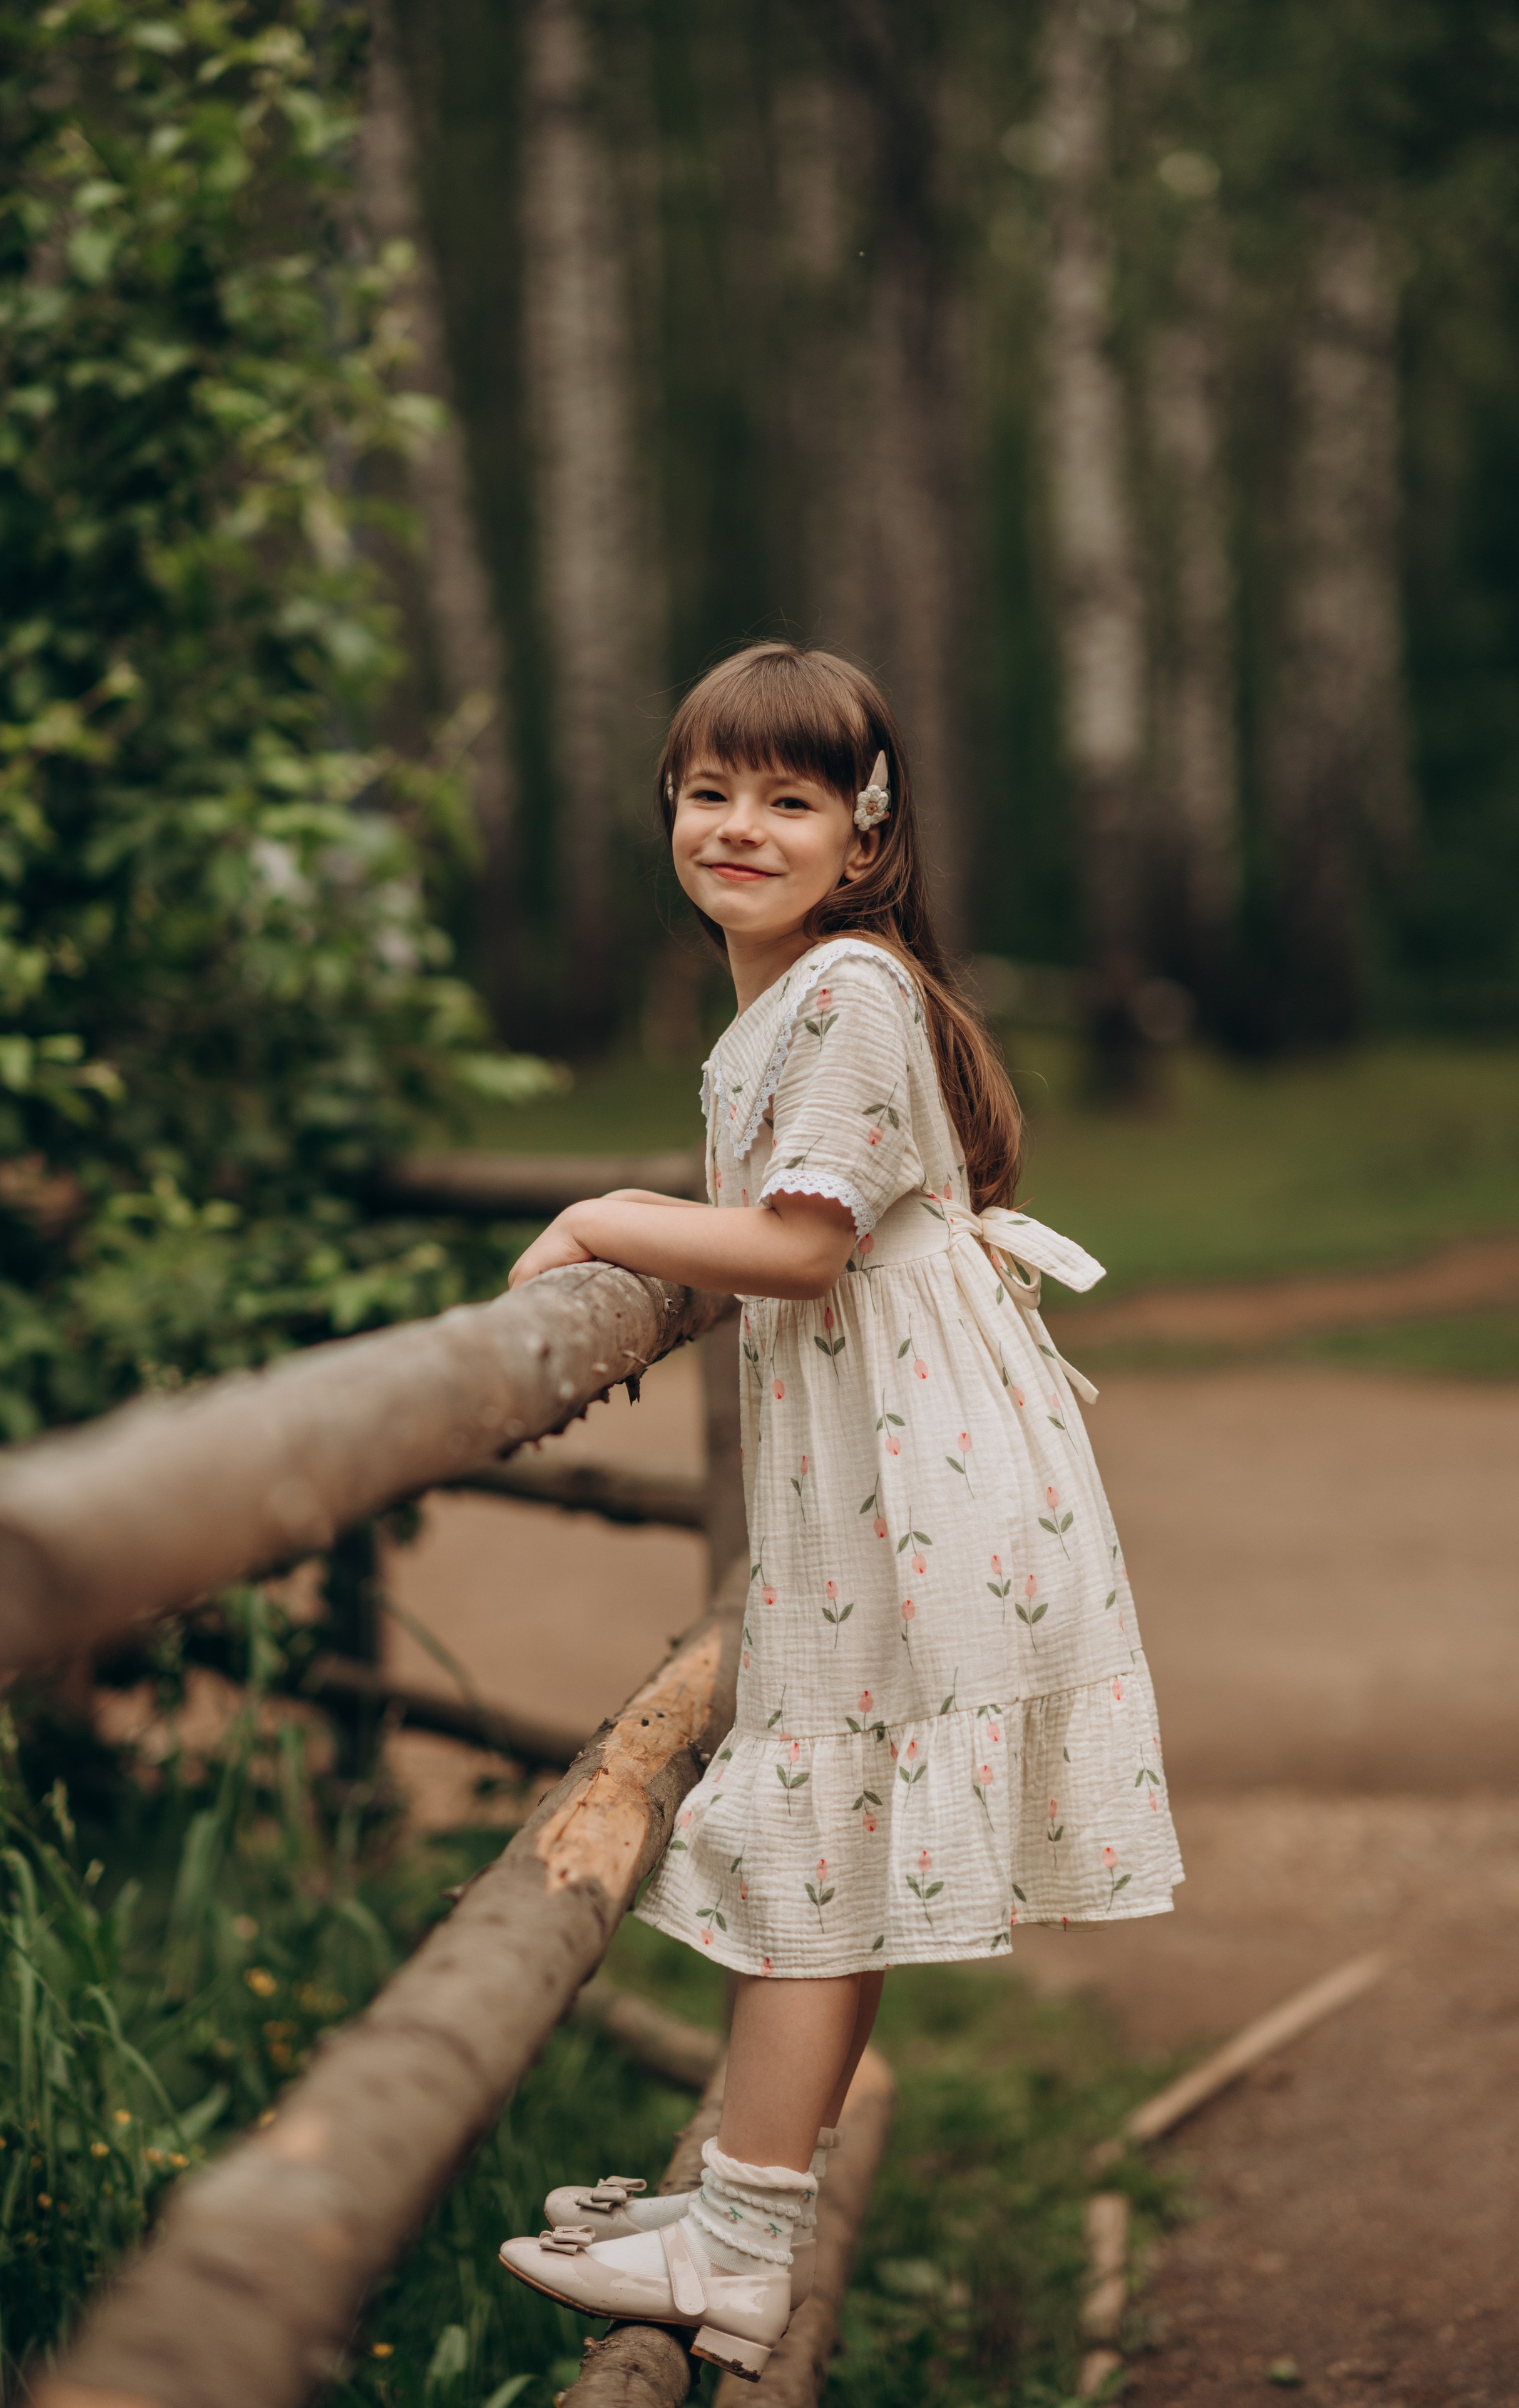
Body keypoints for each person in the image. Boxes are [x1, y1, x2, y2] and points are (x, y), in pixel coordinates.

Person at [497, 643, 1182, 2380]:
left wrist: (604, 1218)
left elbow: (801, 1246)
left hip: (919, 1470)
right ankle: (747, 2212)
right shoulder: (789, 1004)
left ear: (863, 839)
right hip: (889, 1457)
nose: (741, 827)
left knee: (819, 1820)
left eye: (789, 801)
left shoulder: (850, 994)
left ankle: (735, 2236)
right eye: (711, 792)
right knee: (835, 1821)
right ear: (669, 806)